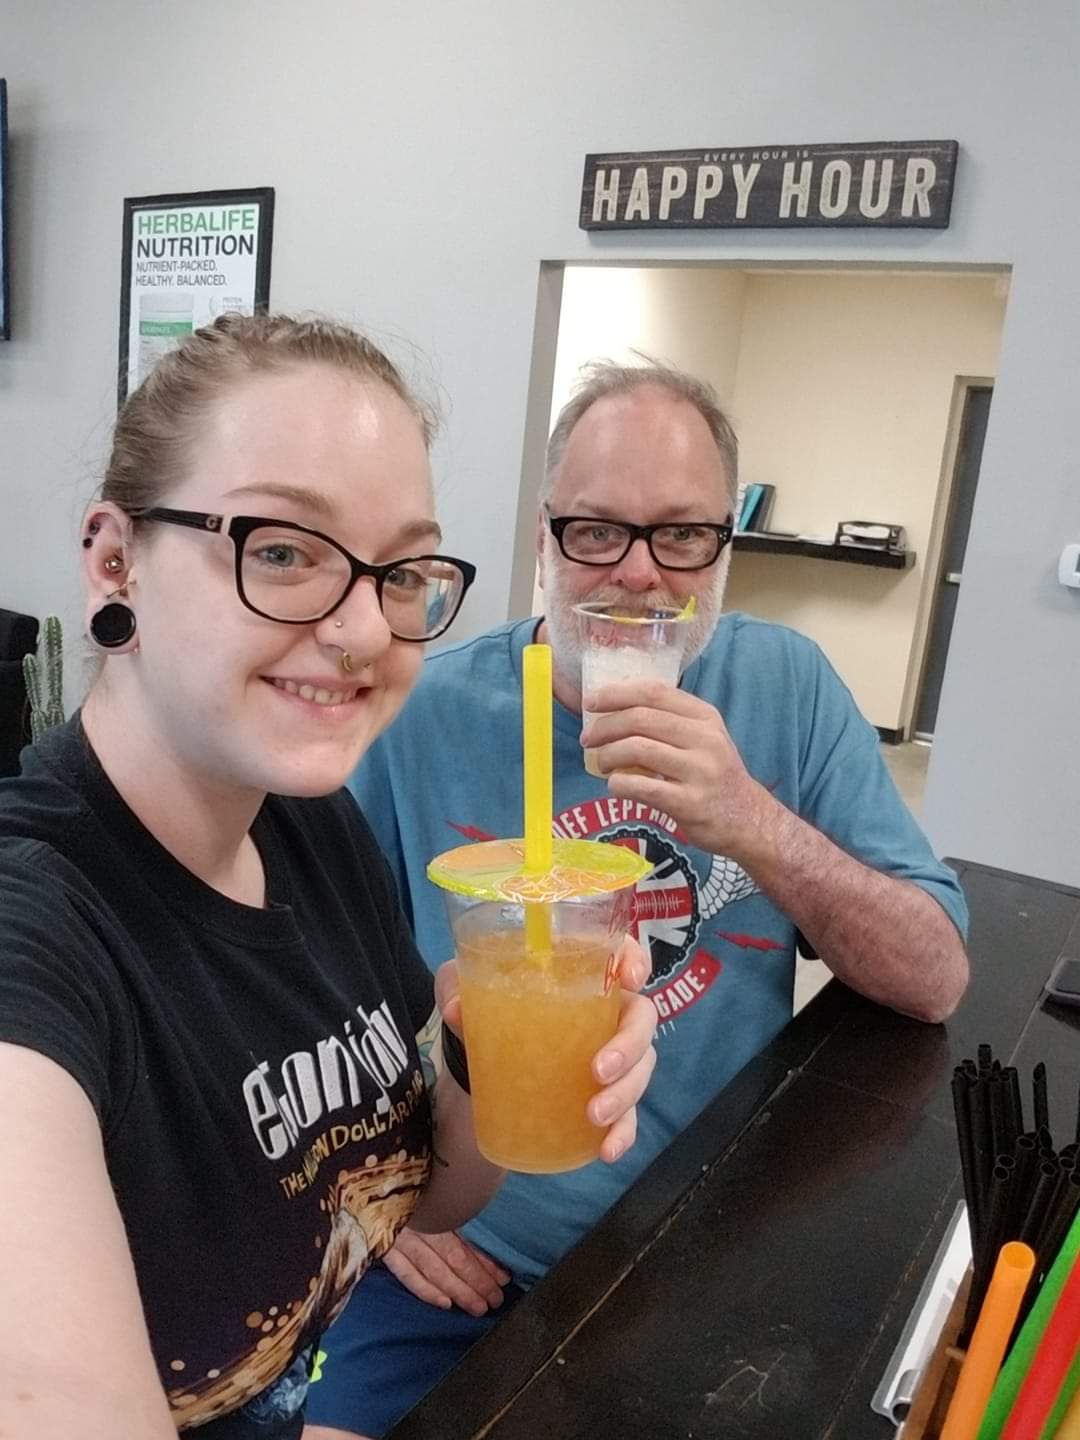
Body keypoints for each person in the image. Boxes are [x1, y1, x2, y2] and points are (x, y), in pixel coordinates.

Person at [0, 317, 657, 1440]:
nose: (361, 630)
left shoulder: (310, 830)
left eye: (399, 571)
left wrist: (482, 1052)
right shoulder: (37, 931)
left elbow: (422, 1196)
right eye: (284, 551)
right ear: (116, 561)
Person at [304, 358, 971, 1438]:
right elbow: (299, 980)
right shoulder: (426, 713)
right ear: (544, 539)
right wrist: (379, 1204)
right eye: (597, 531)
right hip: (465, 1245)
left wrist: (749, 818)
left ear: (725, 548)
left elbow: (934, 977)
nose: (639, 575)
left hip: (703, 1243)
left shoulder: (787, 690)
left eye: (683, 535)